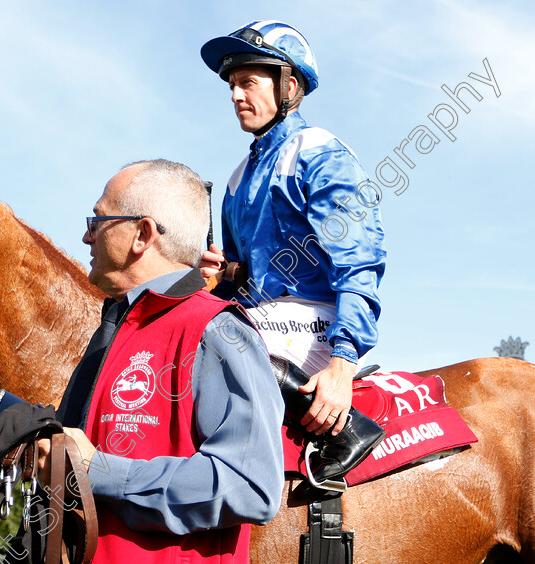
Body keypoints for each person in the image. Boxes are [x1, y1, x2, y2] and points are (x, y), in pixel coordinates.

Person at [0, 159, 285, 563]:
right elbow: (74, 441)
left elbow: (250, 485)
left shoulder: (217, 331)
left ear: (142, 234)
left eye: (98, 220)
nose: (86, 235)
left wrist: (100, 472)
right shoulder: (115, 330)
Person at [199, 20, 386, 483]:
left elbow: (358, 262)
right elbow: (241, 278)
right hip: (260, 321)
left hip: (317, 325)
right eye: (232, 84)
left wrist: (342, 367)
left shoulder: (321, 152)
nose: (236, 95)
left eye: (247, 81)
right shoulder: (237, 178)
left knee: (207, 341)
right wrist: (221, 276)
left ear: (290, 85)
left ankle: (347, 431)